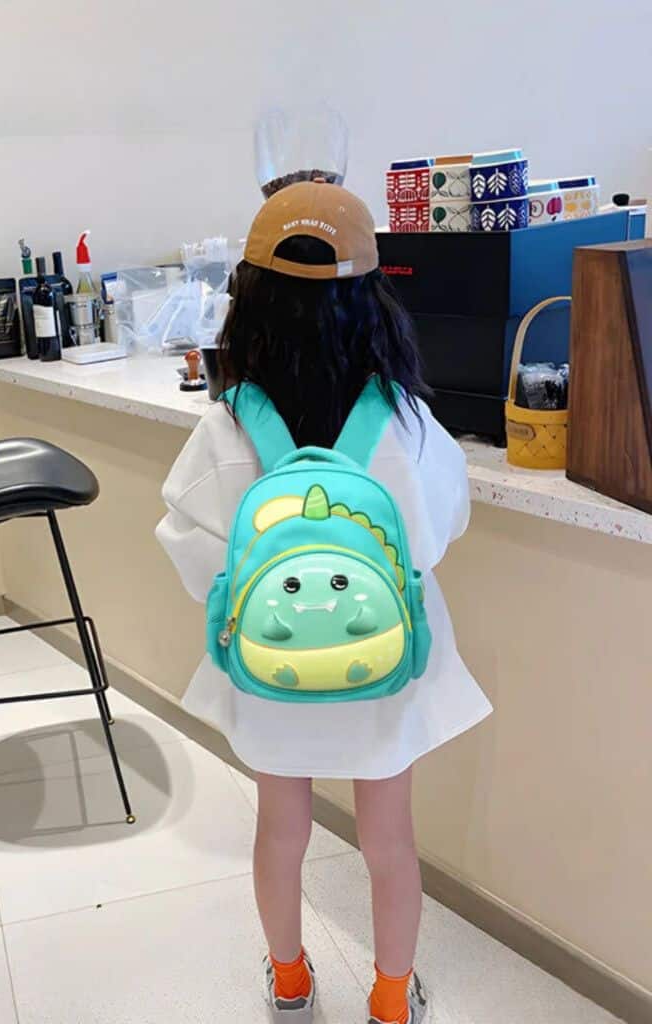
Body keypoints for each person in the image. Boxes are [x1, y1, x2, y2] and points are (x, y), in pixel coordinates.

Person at [156, 182, 492, 1024]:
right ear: (373, 298)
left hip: (270, 665)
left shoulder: (227, 425)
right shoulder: (406, 422)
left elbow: (189, 544)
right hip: (383, 664)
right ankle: (391, 999)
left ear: (250, 299)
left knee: (280, 831)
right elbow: (443, 527)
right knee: (388, 839)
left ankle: (292, 984)